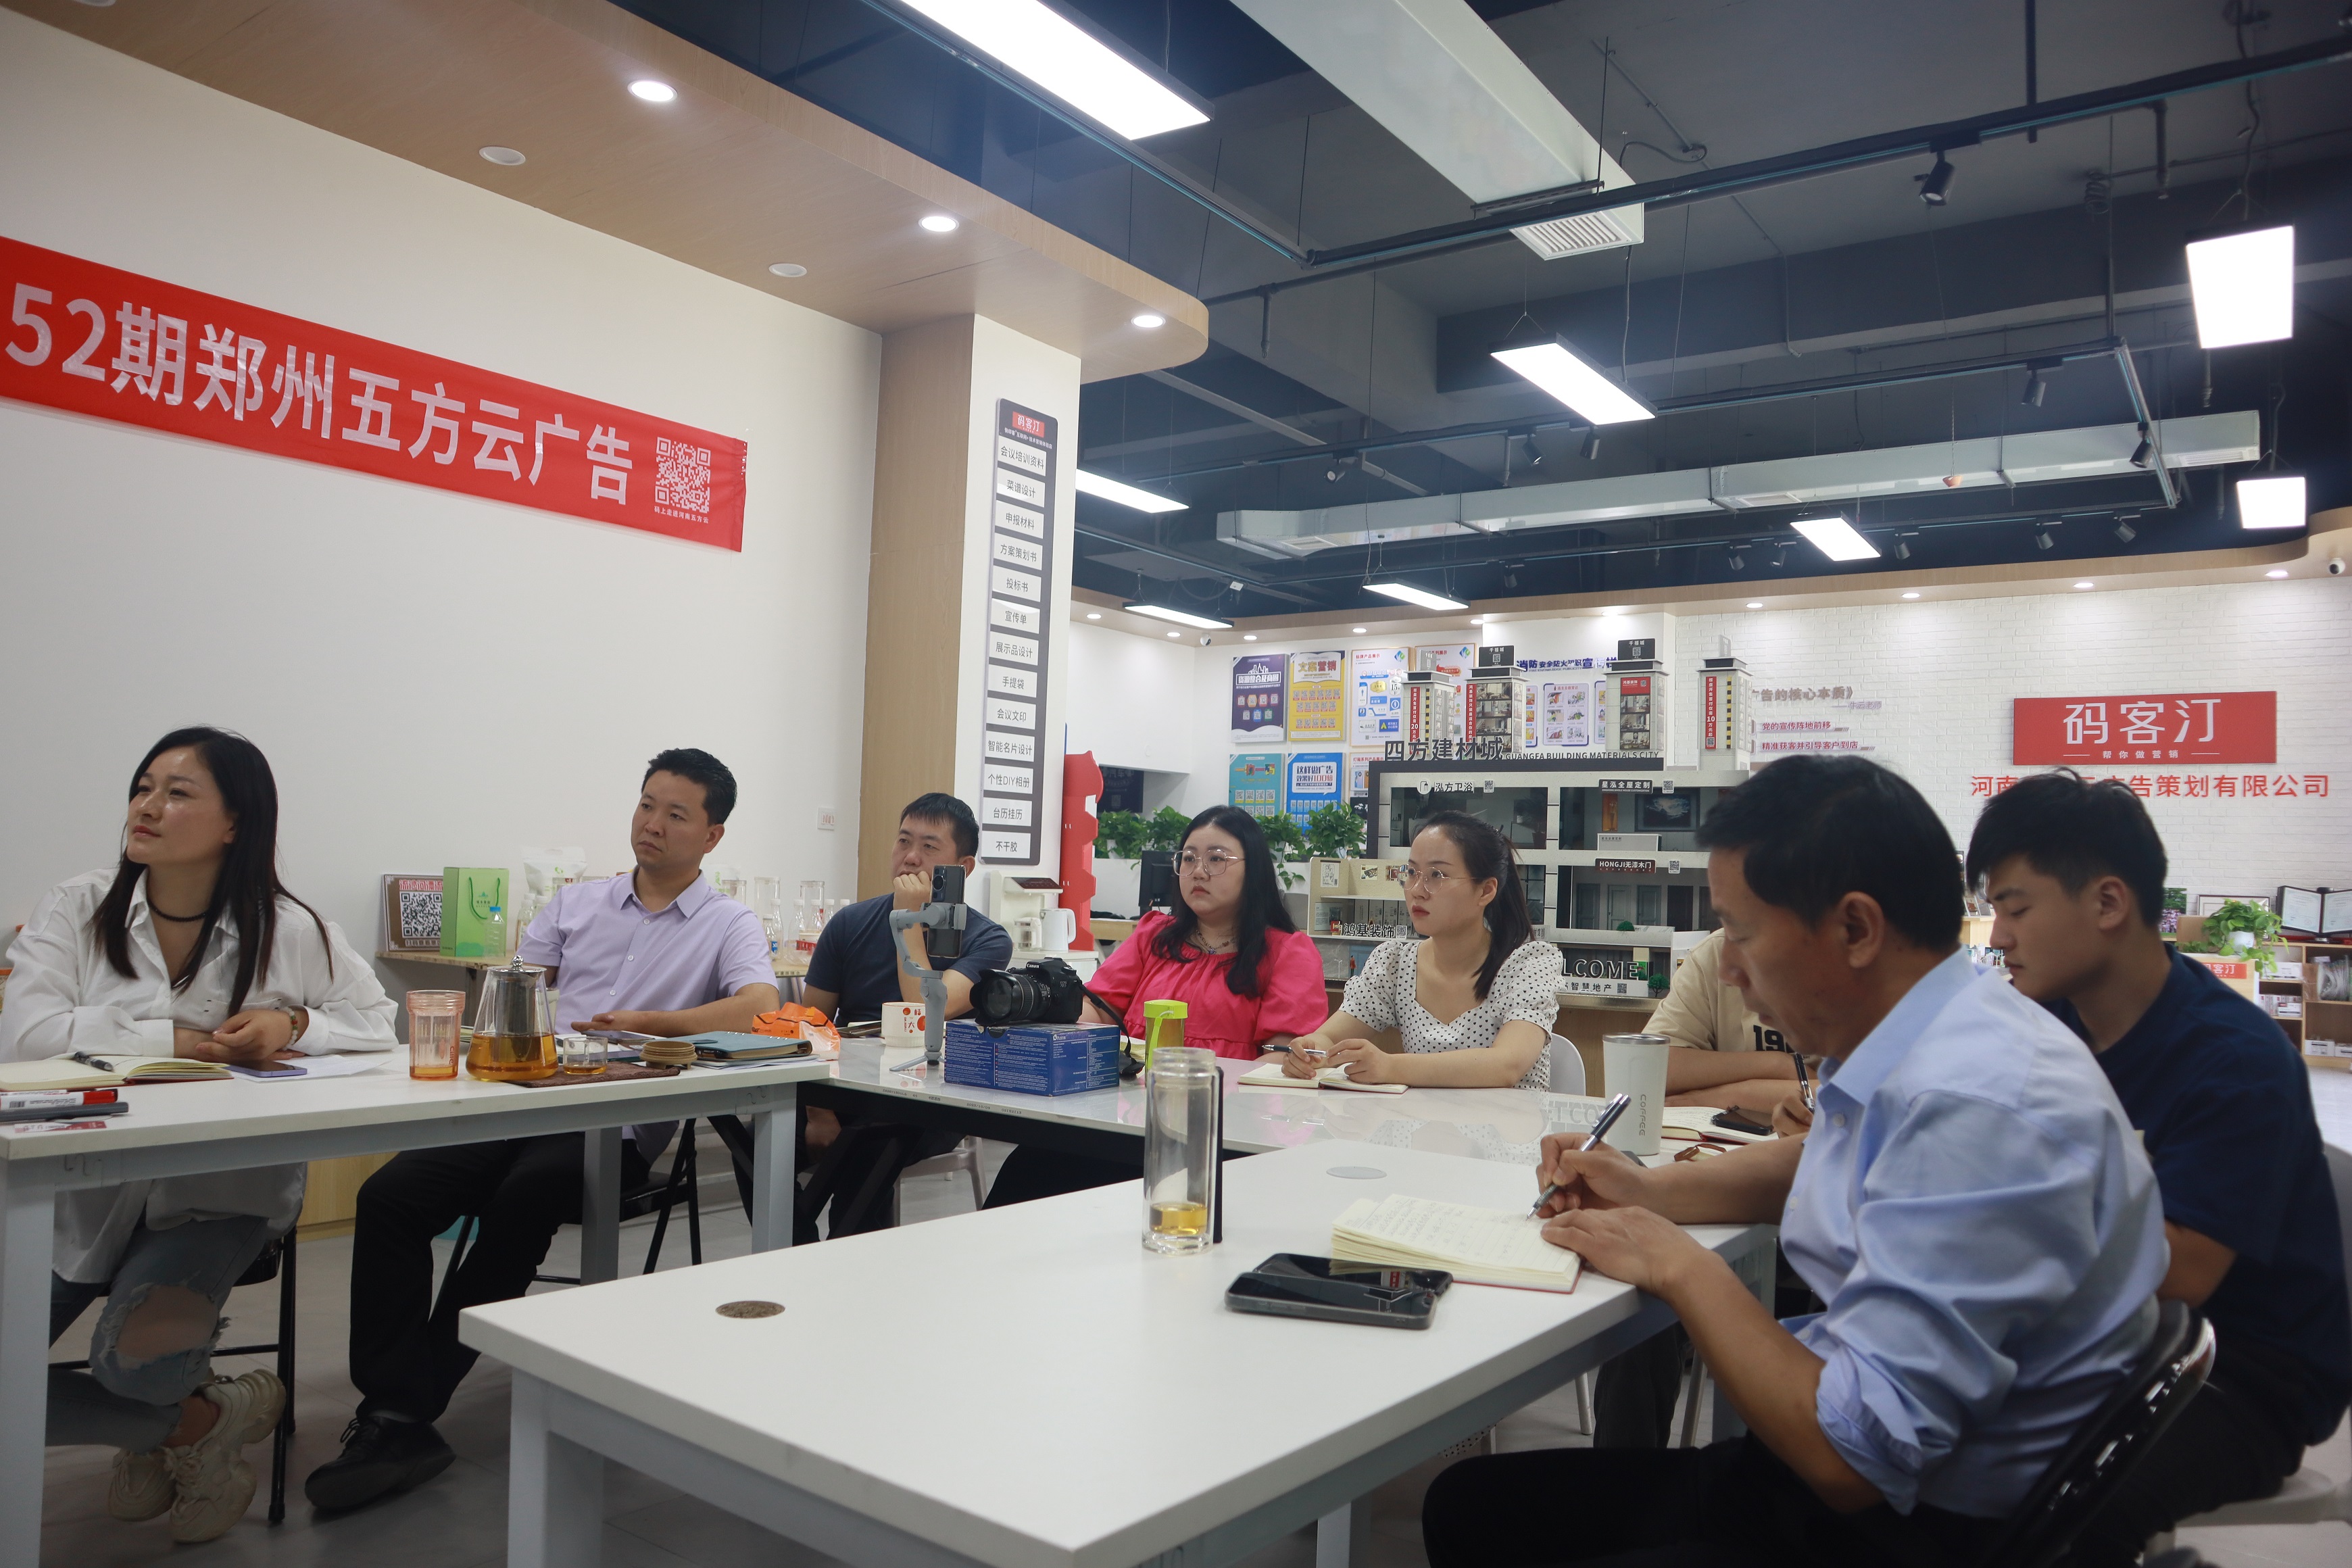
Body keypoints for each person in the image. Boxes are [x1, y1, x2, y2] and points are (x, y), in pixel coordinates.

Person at [1422, 755, 2167, 1568]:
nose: (1728, 968)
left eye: (1741, 933)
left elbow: (1854, 1457)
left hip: (1919, 1527)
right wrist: (1650, 1190)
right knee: (1472, 1505)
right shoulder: (1935, 1029)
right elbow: (1819, 1160)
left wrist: (1680, 1265)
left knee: (1488, 1518)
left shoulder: (1972, 1102)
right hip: (1862, 1477)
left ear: (1856, 929)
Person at [310, 749, 777, 1511]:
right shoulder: (577, 902)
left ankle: (397, 1414)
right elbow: (513, 990)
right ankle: (398, 1405)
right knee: (390, 1195)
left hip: (613, 1127)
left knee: (524, 1199)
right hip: (521, 1099)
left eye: (676, 814)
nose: (652, 824)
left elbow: (758, 1005)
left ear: (712, 835)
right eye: (646, 804)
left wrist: (653, 1022)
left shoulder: (727, 922)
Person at [1, 727, 397, 1543]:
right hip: (77, 1191)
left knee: (130, 1366)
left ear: (235, 823)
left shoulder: (289, 927)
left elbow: (378, 1022)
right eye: (143, 787)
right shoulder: (77, 906)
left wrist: (294, 1023)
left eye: (178, 792)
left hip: (217, 1199)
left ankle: (152, 1409)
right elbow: (25, 1037)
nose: (146, 806)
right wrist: (166, 1038)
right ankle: (202, 1422)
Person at [1967, 770, 2350, 1564]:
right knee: (1901, 1438)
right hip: (2090, 1336)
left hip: (2234, 1370)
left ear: (2109, 903)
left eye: (2016, 909)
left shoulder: (2236, 1061)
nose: (1998, 936)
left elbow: (2179, 1273)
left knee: (2057, 1509)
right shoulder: (2041, 1026)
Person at [981, 806, 1325, 1207]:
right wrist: (1043, 1005)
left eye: (1216, 859)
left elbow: (1279, 1062)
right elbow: (1100, 1011)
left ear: (1255, 871)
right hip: (1124, 1115)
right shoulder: (1155, 935)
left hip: (1218, 1128)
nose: (1198, 872)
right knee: (1029, 1168)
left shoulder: (1287, 951)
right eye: (1188, 859)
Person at [1591, 925, 1815, 1450]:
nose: (1734, 970)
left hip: (1803, 1238)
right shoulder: (1723, 950)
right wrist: (1781, 1069)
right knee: (1642, 1276)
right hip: (1735, 1185)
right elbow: (1658, 1068)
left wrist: (1712, 1091)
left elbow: (1829, 1100)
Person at [797, 794, 1012, 1233]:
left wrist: (906, 922)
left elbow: (924, 1013)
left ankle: (849, 1261)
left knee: (867, 1148)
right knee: (754, 1138)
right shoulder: (850, 924)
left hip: (930, 1101)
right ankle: (796, 1248)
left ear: (963, 868)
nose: (911, 857)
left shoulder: (987, 940)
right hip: (843, 1092)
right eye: (903, 841)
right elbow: (808, 1023)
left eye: (929, 847)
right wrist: (819, 1113)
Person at [1283, 810, 1562, 1088]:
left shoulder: (1528, 965)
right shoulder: (1395, 964)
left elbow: (1507, 1065)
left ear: (1486, 891)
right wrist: (1310, 1052)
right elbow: (1330, 1038)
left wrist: (1390, 1066)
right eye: (1411, 873)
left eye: (1436, 875)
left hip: (1511, 1118)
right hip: (1422, 1118)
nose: (1417, 890)